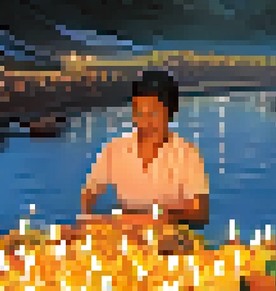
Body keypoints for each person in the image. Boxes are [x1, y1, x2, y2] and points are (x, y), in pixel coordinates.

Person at [80, 70, 209, 226]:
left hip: (171, 235)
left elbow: (200, 213)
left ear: (170, 113)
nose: (144, 122)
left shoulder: (187, 154)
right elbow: (89, 193)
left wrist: (157, 217)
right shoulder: (115, 149)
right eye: (139, 113)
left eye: (153, 114)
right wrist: (88, 218)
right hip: (126, 234)